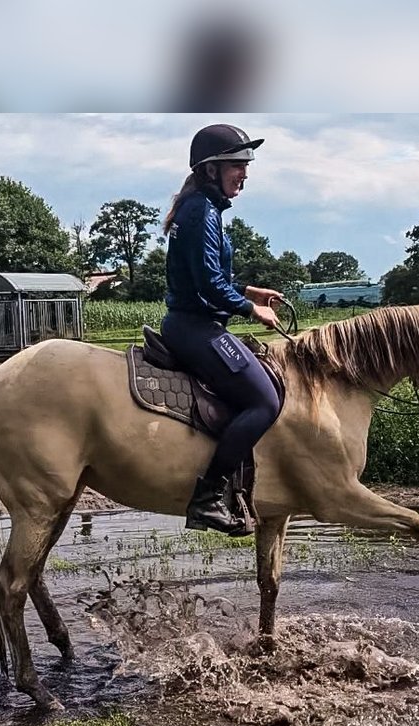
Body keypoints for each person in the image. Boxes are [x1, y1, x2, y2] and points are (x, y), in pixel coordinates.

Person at [161, 123, 284, 535]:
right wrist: (252, 310)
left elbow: (208, 275)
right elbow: (208, 286)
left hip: (194, 322)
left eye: (246, 165)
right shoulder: (202, 212)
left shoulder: (201, 207)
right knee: (264, 402)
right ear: (211, 169)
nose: (244, 173)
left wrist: (250, 290)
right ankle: (208, 497)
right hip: (195, 327)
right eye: (237, 165)